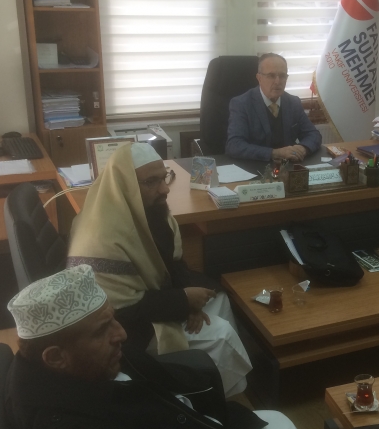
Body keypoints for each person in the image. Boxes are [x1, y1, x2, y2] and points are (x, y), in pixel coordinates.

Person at [5, 265, 340, 429]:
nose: (121, 334)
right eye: (101, 331)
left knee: (279, 423)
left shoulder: (82, 367)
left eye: (114, 320)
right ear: (55, 356)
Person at [67, 142, 252, 396]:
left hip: (152, 298)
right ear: (125, 186)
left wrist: (191, 305)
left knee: (219, 300)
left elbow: (174, 263)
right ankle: (211, 398)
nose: (165, 189)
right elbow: (120, 312)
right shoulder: (101, 239)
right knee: (222, 335)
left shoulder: (148, 211)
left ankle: (216, 387)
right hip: (126, 330)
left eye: (164, 177)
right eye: (151, 182)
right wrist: (183, 301)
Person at [226, 53, 322, 162]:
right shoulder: (241, 104)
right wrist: (275, 153)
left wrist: (303, 148)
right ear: (259, 78)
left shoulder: (293, 102)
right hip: (256, 166)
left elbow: (313, 134)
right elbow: (234, 145)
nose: (277, 81)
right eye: (271, 76)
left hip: (288, 166)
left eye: (282, 76)